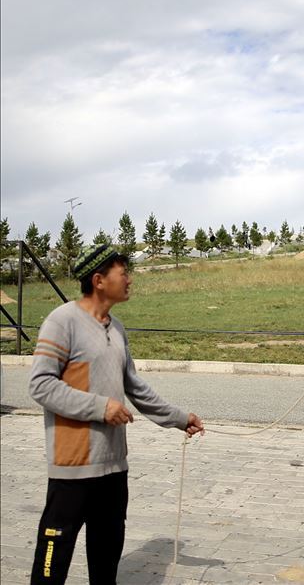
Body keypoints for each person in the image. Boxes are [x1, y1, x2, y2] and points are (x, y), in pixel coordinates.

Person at [29, 244, 204, 584]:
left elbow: (135, 387)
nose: (130, 280)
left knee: (106, 561)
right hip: (73, 467)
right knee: (52, 559)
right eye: (123, 273)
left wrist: (181, 418)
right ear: (98, 280)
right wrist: (100, 406)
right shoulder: (61, 322)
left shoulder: (118, 328)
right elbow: (40, 386)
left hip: (114, 467)